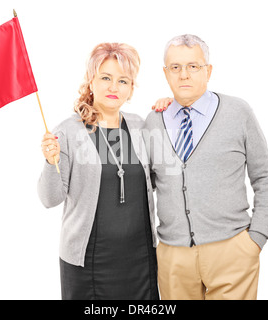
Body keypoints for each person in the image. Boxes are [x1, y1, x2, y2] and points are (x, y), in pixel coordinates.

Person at [144, 34, 268, 300]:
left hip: (232, 251)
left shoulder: (238, 112)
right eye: (175, 67)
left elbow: (264, 176)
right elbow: (144, 186)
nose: (184, 75)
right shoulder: (153, 121)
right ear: (165, 73)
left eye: (193, 66)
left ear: (208, 71)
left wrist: (256, 238)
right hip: (173, 257)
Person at [37, 43, 159, 300]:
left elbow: (158, 180)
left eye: (123, 81)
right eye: (106, 78)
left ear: (131, 89)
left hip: (140, 259)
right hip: (89, 262)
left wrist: (168, 109)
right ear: (91, 81)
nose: (114, 87)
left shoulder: (140, 126)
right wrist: (51, 162)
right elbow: (50, 199)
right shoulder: (67, 131)